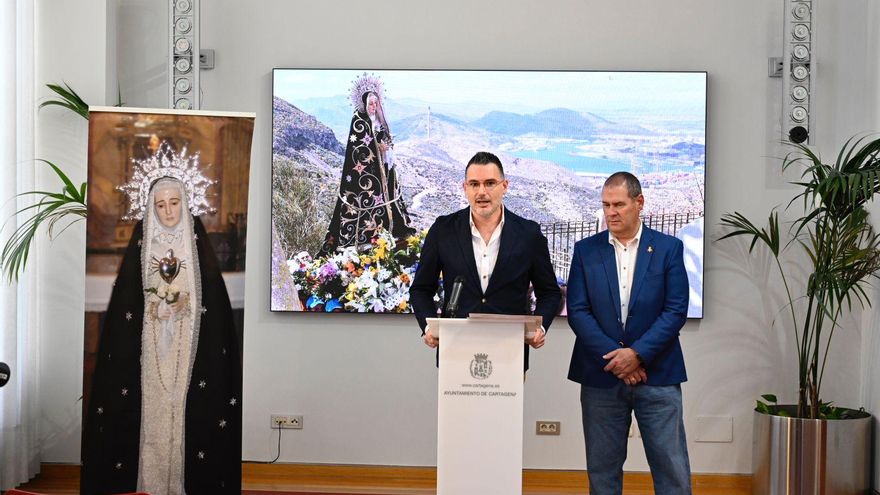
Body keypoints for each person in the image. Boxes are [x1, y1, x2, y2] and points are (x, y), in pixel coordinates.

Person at [81, 176, 241, 495]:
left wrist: (187, 306)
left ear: (184, 202)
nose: (168, 212)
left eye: (174, 202)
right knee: (152, 411)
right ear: (152, 207)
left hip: (188, 342)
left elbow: (208, 297)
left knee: (183, 407)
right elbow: (130, 301)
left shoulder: (193, 242)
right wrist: (155, 310)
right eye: (161, 204)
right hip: (151, 344)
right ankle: (149, 482)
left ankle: (181, 483)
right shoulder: (145, 242)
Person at [566, 172, 691, 494]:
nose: (611, 212)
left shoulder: (668, 249)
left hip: (658, 374)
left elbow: (675, 310)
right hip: (601, 376)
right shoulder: (586, 251)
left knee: (671, 468)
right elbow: (578, 311)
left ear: (639, 203)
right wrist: (617, 358)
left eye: (619, 204)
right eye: (606, 205)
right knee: (602, 471)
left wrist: (636, 355)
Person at [409, 151, 561, 371]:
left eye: (490, 183)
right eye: (474, 184)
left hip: (510, 357)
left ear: (504, 186)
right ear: (465, 188)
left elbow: (550, 293)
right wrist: (427, 326)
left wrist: (541, 328)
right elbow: (421, 289)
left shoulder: (529, 234)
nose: (482, 192)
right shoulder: (443, 230)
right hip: (455, 354)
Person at [317, 73, 415, 257]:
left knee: (388, 203)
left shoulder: (381, 120)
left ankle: (391, 234)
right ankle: (365, 240)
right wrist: (377, 147)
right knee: (368, 204)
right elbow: (357, 148)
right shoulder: (358, 121)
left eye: (376, 103)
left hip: (384, 172)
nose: (374, 106)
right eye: (371, 103)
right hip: (365, 175)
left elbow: (387, 139)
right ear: (363, 102)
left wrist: (387, 148)